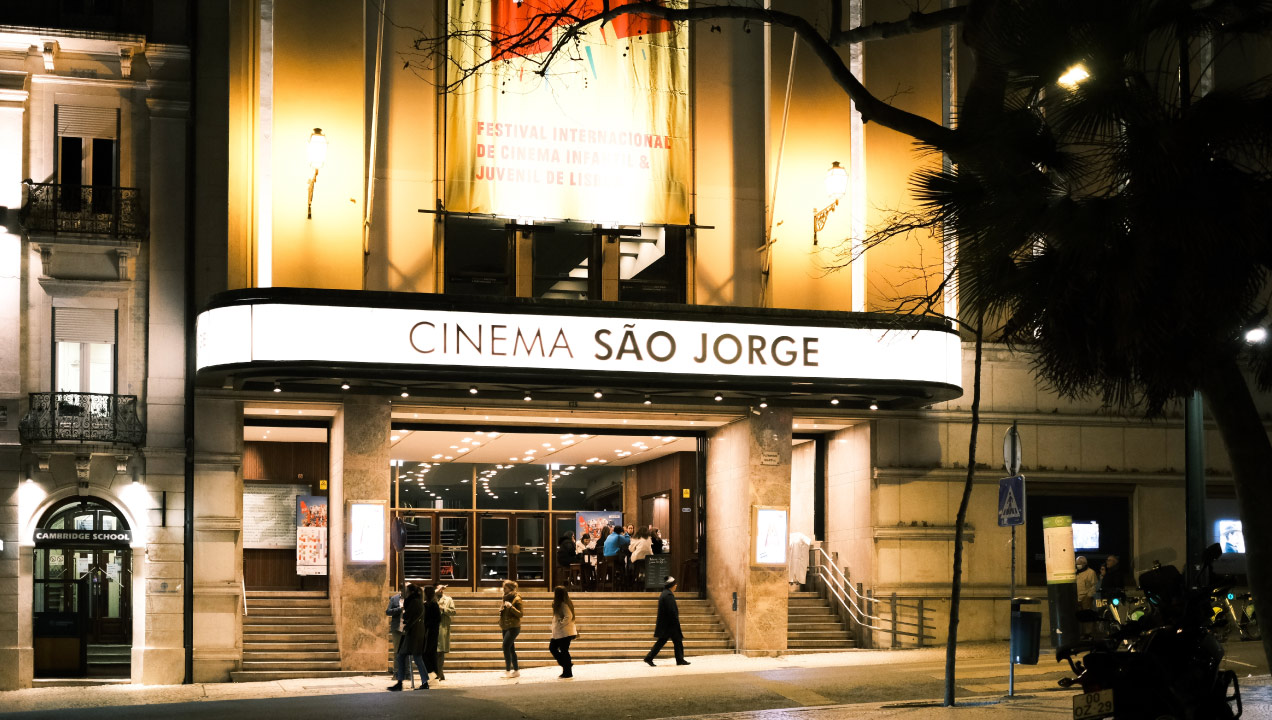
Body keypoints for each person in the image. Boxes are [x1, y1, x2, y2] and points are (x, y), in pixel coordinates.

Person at [389, 583, 428, 691]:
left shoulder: (413, 602)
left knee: (402, 656)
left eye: (406, 590)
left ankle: (401, 682)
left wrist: (405, 605)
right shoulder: (417, 601)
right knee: (415, 658)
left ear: (410, 592)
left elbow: (406, 615)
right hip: (415, 633)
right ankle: (423, 681)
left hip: (413, 634)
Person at [644, 576, 689, 666]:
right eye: (675, 584)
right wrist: (676, 622)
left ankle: (649, 658)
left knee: (673, 641)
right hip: (670, 625)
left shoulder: (665, 594)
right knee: (675, 641)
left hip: (667, 625)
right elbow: (671, 611)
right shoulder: (668, 595)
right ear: (671, 585)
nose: (676, 585)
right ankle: (679, 660)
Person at [549, 585, 578, 679]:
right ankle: (567, 666)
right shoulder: (561, 603)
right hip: (560, 632)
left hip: (564, 632)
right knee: (555, 648)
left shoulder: (563, 604)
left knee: (561, 650)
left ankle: (567, 670)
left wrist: (560, 623)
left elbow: (568, 616)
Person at [500, 579, 524, 678]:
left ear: (510, 589)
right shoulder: (505, 598)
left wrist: (511, 608)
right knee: (511, 648)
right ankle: (516, 670)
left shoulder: (517, 599)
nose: (503, 590)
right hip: (505, 626)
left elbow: (520, 614)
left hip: (514, 627)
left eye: (505, 588)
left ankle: (508, 671)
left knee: (505, 646)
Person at [433, 584, 455, 681]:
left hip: (442, 627)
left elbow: (453, 612)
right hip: (432, 627)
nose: (440, 590)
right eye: (438, 589)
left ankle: (439, 672)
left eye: (441, 589)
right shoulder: (430, 598)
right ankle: (438, 673)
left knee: (440, 652)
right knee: (434, 651)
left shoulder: (448, 599)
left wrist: (443, 609)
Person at [422, 585, 442, 682]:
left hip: (430, 632)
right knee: (431, 653)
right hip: (432, 632)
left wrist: (426, 625)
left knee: (426, 653)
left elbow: (437, 619)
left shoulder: (431, 605)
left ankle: (433, 672)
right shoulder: (431, 604)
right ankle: (434, 673)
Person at [385, 585, 404, 679]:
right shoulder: (394, 598)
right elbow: (388, 611)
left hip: (407, 628)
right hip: (397, 628)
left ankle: (406, 673)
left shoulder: (411, 599)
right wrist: (399, 609)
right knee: (397, 651)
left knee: (407, 651)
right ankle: (396, 673)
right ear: (401, 589)